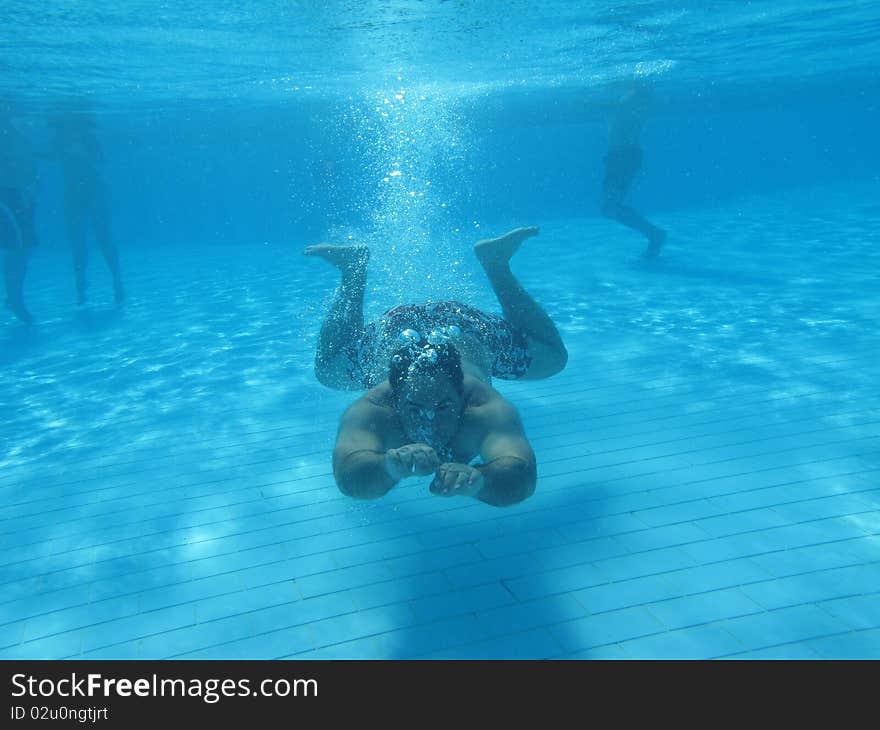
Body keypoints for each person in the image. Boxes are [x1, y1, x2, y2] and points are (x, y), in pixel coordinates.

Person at [304, 226, 567, 506]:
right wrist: (389, 467)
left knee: (554, 359)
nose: (428, 420)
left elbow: (521, 476)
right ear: (395, 400)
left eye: (443, 407)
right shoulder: (375, 409)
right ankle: (353, 269)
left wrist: (480, 481)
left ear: (463, 395)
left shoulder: (484, 409)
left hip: (465, 328)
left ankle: (496, 264)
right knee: (327, 372)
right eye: (414, 408)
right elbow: (348, 476)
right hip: (396, 329)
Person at [48, 108, 124, 305]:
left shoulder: (88, 137)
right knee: (79, 241)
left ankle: (116, 281)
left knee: (103, 237)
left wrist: (82, 155)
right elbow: (51, 156)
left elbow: (101, 160)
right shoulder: (61, 137)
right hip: (75, 193)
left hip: (93, 191)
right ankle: (80, 286)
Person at [600, 82, 666, 258]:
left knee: (609, 207)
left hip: (623, 156)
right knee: (609, 207)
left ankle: (654, 234)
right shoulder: (630, 100)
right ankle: (654, 234)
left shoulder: (633, 100)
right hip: (620, 156)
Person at [0, 107, 39, 323]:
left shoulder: (11, 131)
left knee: (23, 248)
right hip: (9, 195)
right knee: (17, 247)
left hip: (21, 195)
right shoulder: (6, 133)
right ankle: (14, 299)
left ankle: (15, 297)